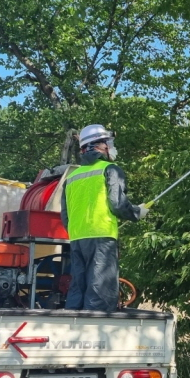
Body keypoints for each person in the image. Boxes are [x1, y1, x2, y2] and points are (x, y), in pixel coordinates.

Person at [60, 125, 148, 311]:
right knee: (100, 290)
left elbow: (65, 216)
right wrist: (136, 212)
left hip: (76, 239)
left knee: (78, 288)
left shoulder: (71, 178)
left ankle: (72, 324)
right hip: (101, 237)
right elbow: (117, 204)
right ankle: (96, 327)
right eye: (108, 143)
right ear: (98, 146)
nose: (111, 147)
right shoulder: (110, 169)